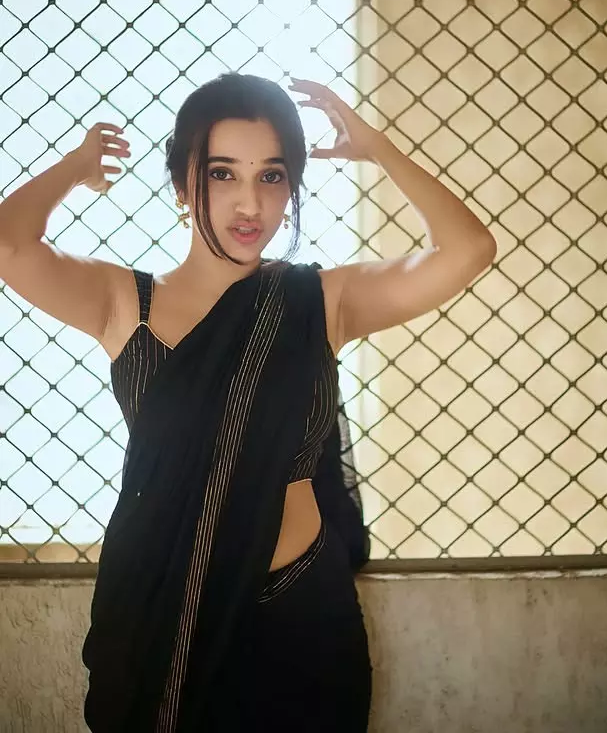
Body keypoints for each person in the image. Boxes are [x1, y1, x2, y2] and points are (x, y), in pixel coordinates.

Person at [0, 72, 496, 731]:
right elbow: (9, 244)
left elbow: (468, 249)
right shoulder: (124, 302)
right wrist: (76, 165)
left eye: (271, 176)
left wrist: (377, 149)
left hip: (301, 616)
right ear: (183, 186)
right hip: (165, 616)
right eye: (222, 174)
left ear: (290, 188)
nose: (250, 203)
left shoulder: (320, 301)